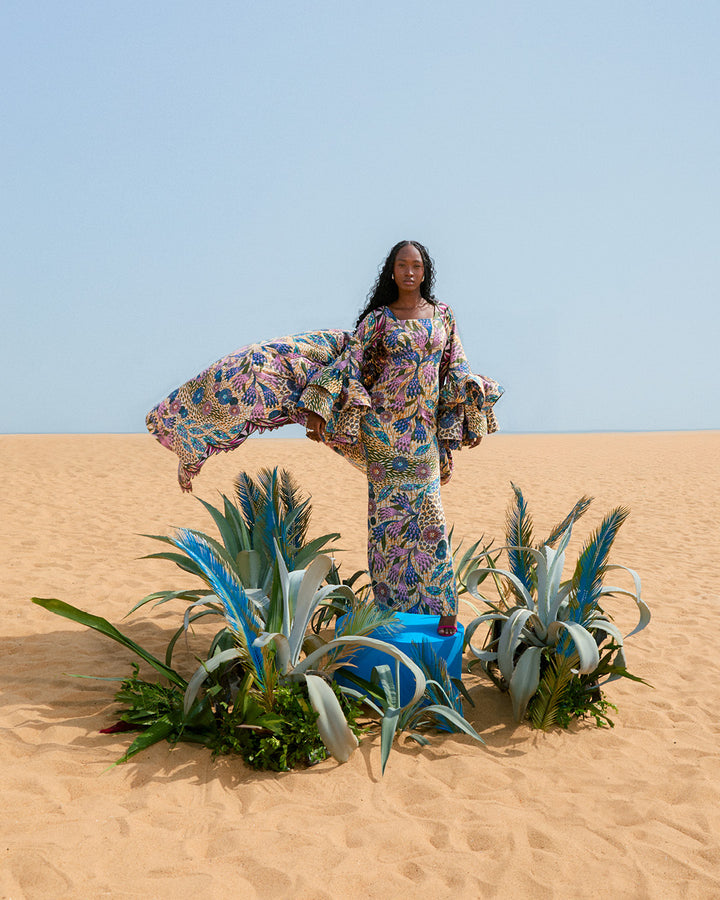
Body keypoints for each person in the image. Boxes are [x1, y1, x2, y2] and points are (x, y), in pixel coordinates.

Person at [146, 240, 503, 636]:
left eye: (416, 266)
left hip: (422, 436)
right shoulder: (378, 321)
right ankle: (389, 609)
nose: (409, 272)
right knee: (387, 525)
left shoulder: (444, 317)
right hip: (383, 435)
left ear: (425, 271)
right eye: (402, 265)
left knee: (430, 519)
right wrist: (319, 404)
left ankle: (441, 607)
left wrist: (470, 403)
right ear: (392, 271)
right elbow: (349, 364)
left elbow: (456, 364)